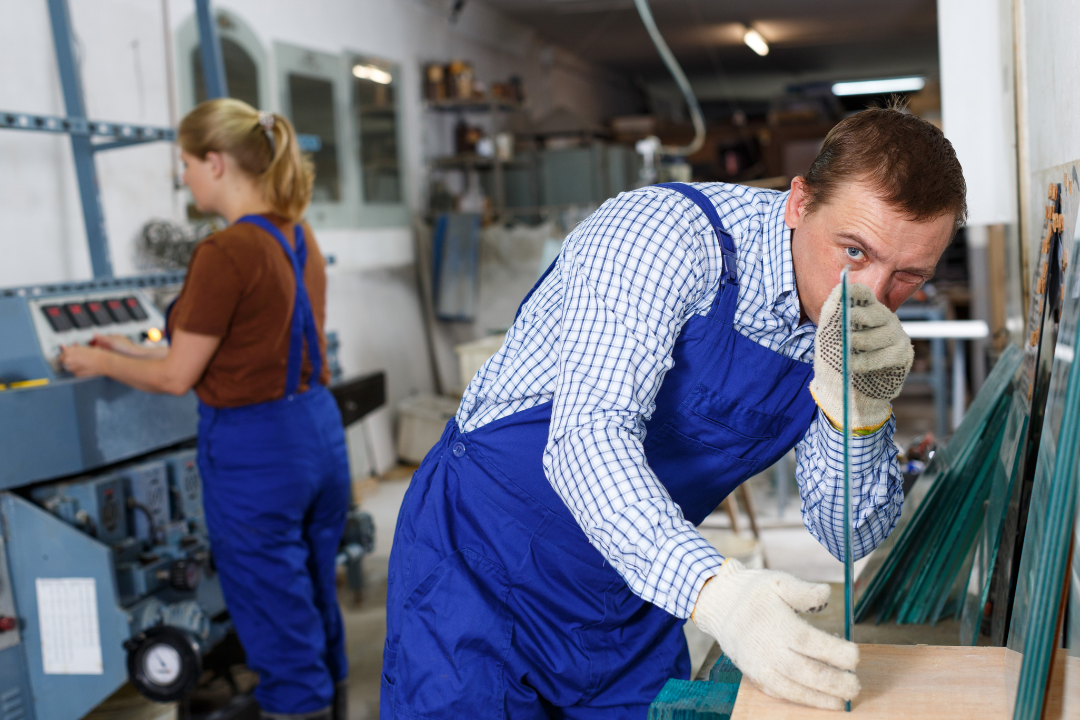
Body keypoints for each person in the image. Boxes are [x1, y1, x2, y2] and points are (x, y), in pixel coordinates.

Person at [381, 107, 966, 718]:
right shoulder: (663, 236)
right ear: (799, 202)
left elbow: (848, 537)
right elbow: (587, 437)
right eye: (853, 251)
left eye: (908, 276)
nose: (871, 295)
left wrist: (860, 416)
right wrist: (719, 592)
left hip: (630, 589)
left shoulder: (842, 335)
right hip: (482, 561)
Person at [59, 98, 350, 720]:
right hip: (317, 431)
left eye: (186, 162)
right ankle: (334, 704)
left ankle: (299, 710)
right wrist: (127, 344)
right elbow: (250, 338)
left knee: (275, 614)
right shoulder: (296, 235)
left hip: (257, 451)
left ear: (216, 163)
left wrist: (99, 362)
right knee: (314, 599)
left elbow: (175, 375)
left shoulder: (225, 252)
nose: (183, 175)